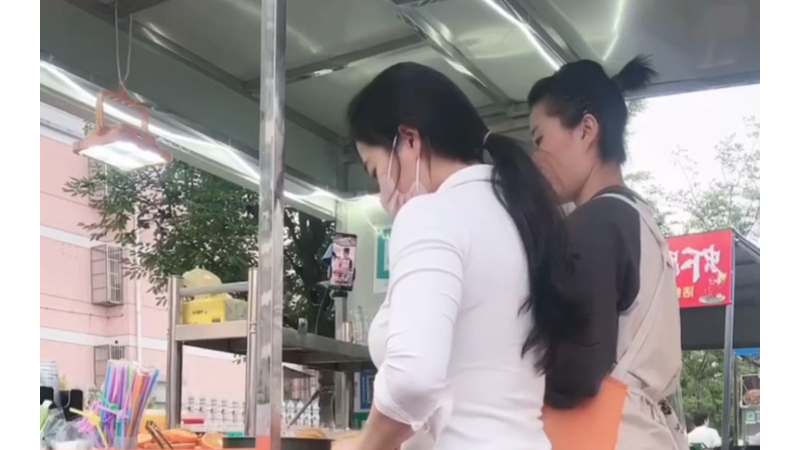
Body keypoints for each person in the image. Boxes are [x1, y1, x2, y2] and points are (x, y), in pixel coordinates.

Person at [342, 62, 588, 450]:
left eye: (377, 172)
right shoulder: (524, 216)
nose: (381, 192)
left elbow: (413, 379)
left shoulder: (432, 215)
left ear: (408, 140)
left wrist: (367, 445)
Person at [526, 56, 685, 450]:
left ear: (586, 130)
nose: (535, 159)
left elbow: (575, 376)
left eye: (539, 138)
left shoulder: (594, 222)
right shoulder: (638, 218)